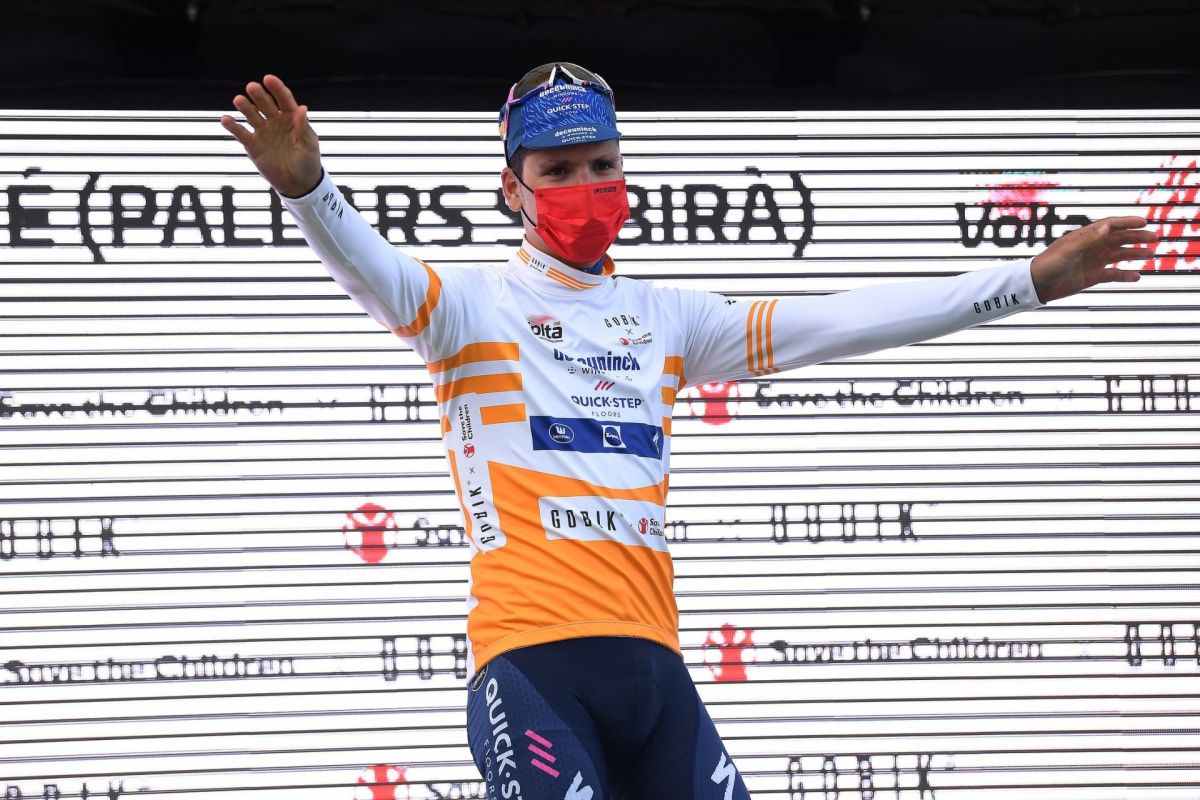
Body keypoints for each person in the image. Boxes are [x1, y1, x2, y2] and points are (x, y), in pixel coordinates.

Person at [219, 63, 1157, 800]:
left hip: (657, 673)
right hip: (532, 666)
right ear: (514, 189)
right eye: (558, 172)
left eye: (602, 166)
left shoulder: (671, 318)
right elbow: (372, 270)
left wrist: (1026, 282)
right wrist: (310, 190)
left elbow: (849, 318)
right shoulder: (465, 306)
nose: (586, 186)